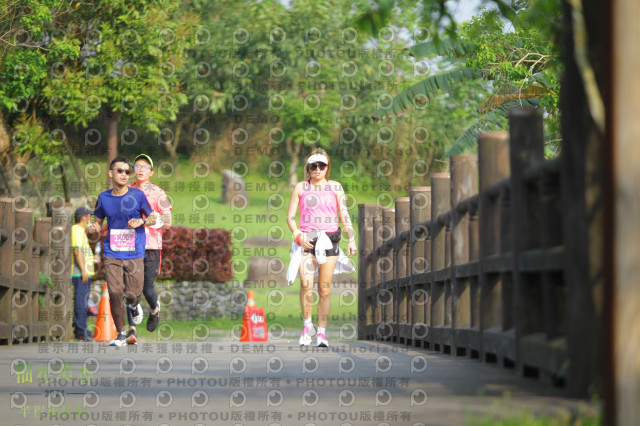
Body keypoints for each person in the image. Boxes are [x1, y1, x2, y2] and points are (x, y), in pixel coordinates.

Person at [286, 148, 357, 347]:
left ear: (327, 167)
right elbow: (290, 216)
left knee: (324, 289)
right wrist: (297, 235)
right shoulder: (301, 187)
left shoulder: (336, 187)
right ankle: (307, 326)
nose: (317, 169)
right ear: (307, 168)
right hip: (306, 242)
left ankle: (322, 333)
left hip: (330, 241)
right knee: (306, 285)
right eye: (313, 165)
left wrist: (351, 239)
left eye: (321, 165)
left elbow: (344, 215)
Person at [89, 157, 157, 346]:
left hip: (134, 252)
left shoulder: (137, 196)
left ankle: (135, 306)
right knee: (115, 292)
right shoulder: (103, 198)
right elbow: (98, 220)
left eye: (128, 172)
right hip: (112, 251)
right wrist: (94, 226)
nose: (125, 174)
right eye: (120, 171)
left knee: (133, 293)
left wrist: (141, 221)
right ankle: (121, 333)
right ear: (111, 173)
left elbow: (153, 217)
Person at [123, 154, 172, 344]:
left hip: (151, 246)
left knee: (146, 288)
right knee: (130, 287)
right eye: (137, 166)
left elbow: (168, 221)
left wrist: (146, 221)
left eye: (145, 167)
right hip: (129, 245)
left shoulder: (158, 193)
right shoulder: (127, 191)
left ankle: (154, 309)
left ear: (151, 172)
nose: (140, 169)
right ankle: (132, 330)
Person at [71, 206, 97, 341]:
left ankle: (82, 329)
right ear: (83, 217)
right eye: (89, 216)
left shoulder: (81, 231)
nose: (91, 219)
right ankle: (81, 331)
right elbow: (77, 250)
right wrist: (83, 270)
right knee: (81, 303)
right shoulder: (76, 230)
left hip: (84, 273)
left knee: (84, 302)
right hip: (80, 273)